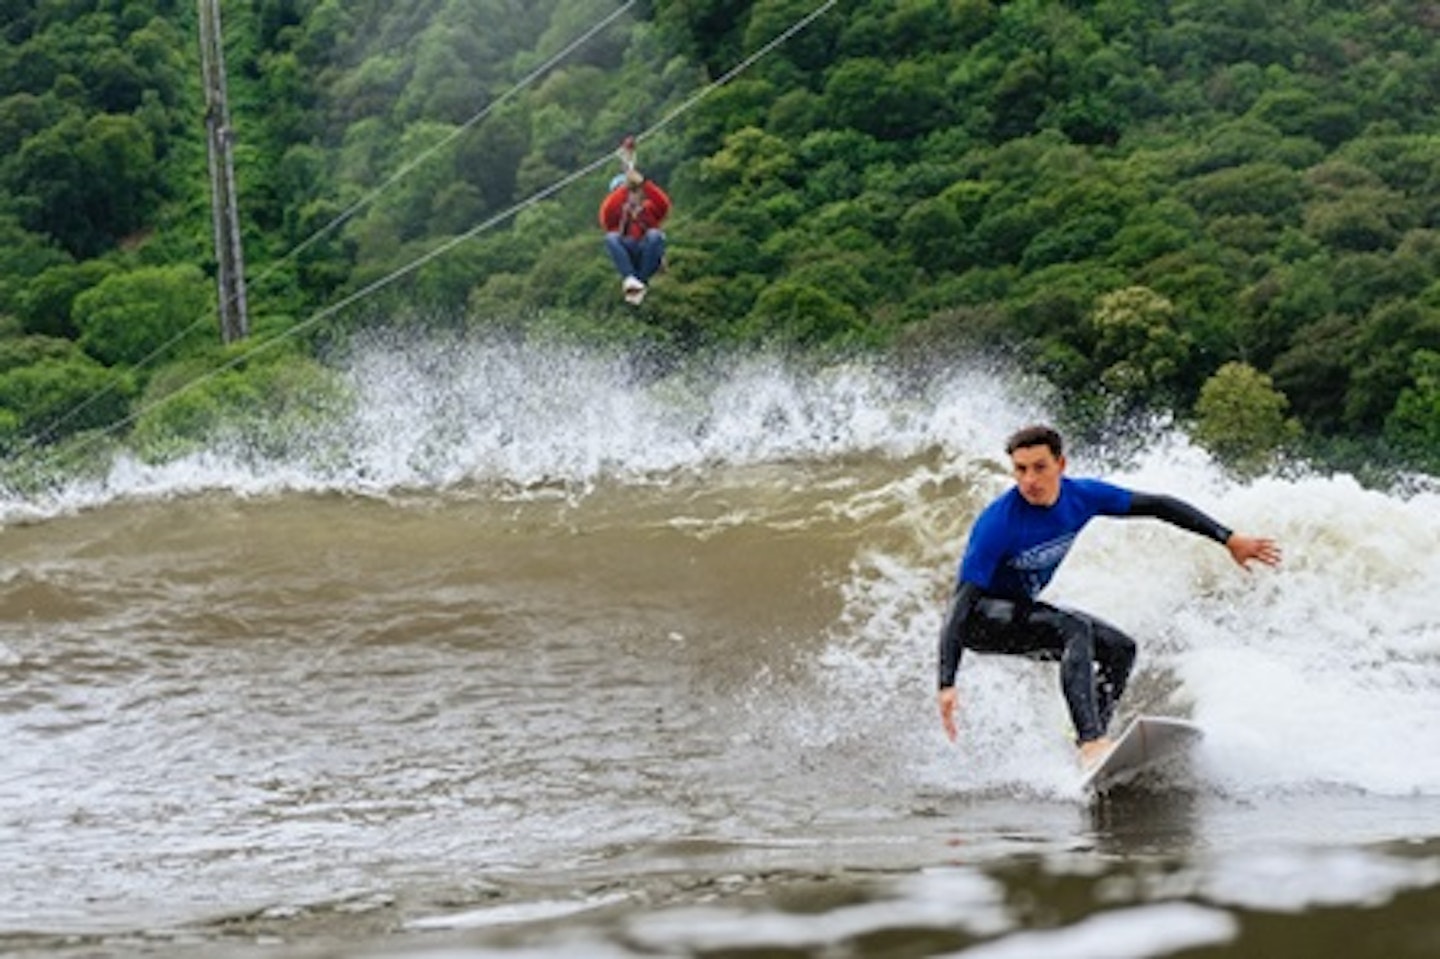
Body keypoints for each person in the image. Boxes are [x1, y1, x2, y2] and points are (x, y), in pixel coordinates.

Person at [936, 425, 1282, 766]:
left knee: (1120, 649)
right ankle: (1091, 742)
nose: (1029, 480)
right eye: (1020, 469)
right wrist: (947, 682)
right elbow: (960, 603)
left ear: (1061, 465)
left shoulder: (1083, 496)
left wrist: (1228, 538)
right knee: (1073, 628)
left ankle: (1090, 741)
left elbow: (1158, 505)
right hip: (980, 619)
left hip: (1021, 611)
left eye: (1039, 467)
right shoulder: (998, 523)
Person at [598, 167, 671, 305]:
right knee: (611, 238)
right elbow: (607, 211)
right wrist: (624, 189)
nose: (632, 196)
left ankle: (640, 282)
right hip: (628, 254)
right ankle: (631, 278)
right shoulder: (615, 216)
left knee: (654, 235)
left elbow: (664, 205)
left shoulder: (649, 208)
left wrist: (644, 184)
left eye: (635, 192)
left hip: (648, 253)